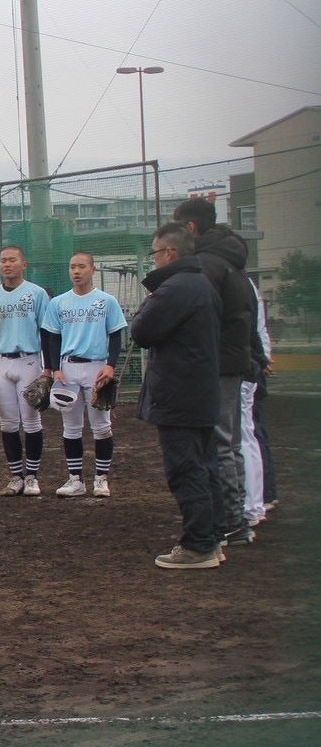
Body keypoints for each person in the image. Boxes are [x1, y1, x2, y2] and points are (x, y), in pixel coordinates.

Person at [131, 222, 224, 569]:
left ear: (169, 253)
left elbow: (141, 330)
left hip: (179, 393)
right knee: (205, 466)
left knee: (186, 469)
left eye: (155, 253)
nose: (153, 260)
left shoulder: (176, 287)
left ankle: (198, 546)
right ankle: (212, 538)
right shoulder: (202, 284)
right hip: (200, 390)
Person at [174, 197, 258, 547]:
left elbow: (198, 314)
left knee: (220, 444)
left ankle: (231, 522)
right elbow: (248, 312)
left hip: (217, 362)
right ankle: (236, 519)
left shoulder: (207, 264)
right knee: (229, 443)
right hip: (233, 360)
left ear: (190, 227)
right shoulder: (230, 259)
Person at [40, 253, 127, 498]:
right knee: (71, 427)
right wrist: (55, 368)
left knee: (101, 427)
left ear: (93, 269)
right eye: (72, 267)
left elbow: (116, 335)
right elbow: (53, 338)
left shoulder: (106, 301)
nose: (76, 271)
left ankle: (101, 479)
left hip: (97, 367)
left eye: (81, 266)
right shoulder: (59, 302)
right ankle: (75, 479)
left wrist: (111, 365)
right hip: (68, 368)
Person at [0, 245, 53, 496]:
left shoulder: (37, 293)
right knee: (8, 423)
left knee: (31, 421)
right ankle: (15, 476)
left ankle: (31, 476)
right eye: (3, 260)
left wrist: (48, 368)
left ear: (24, 264)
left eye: (12, 260)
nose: (7, 264)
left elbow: (46, 332)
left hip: (29, 360)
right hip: (1, 361)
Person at [242, 279, 275, 526]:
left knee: (250, 432)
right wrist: (264, 357)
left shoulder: (238, 282)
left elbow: (255, 328)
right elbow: (258, 327)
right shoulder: (245, 282)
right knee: (252, 432)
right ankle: (263, 496)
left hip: (247, 365)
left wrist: (263, 357)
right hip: (252, 362)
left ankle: (262, 496)